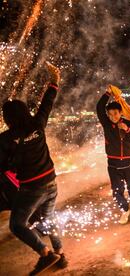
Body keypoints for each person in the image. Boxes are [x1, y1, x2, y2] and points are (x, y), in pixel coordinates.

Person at [0, 62, 68, 275]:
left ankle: (46, 254)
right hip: (51, 182)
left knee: (17, 224)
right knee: (48, 218)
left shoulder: (6, 138)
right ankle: (61, 254)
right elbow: (47, 103)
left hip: (32, 188)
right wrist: (55, 81)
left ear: (8, 118)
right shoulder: (38, 124)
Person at [96, 85, 130, 225]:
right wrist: (107, 93)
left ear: (120, 113)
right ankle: (125, 210)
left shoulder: (128, 122)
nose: (112, 117)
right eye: (110, 114)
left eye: (115, 114)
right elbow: (99, 107)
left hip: (128, 163)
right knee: (117, 191)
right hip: (113, 164)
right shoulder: (106, 124)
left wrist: (127, 129)